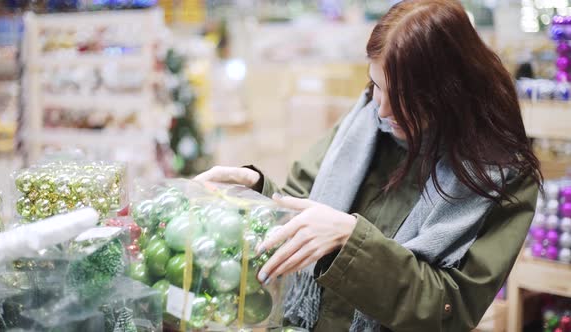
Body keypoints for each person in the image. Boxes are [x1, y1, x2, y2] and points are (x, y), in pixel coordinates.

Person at [195, 1, 542, 331]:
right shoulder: (363, 122)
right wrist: (259, 195)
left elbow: (451, 309)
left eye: (405, 99)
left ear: (448, 94)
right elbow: (303, 206)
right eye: (376, 85)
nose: (384, 109)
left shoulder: (499, 176)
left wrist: (351, 241)